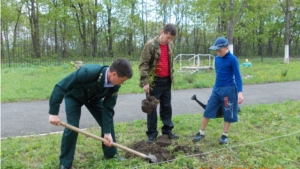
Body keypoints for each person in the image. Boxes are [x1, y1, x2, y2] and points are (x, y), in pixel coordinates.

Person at [48, 58, 133, 169]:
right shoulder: (88, 72)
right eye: (123, 80)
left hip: (93, 99)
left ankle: (111, 154)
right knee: (72, 127)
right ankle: (65, 163)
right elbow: (60, 86)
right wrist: (53, 113)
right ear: (114, 74)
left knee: (107, 121)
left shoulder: (115, 86)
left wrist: (107, 133)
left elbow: (108, 109)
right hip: (74, 97)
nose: (123, 83)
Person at [192, 37, 243, 144]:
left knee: (228, 112)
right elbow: (218, 73)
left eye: (220, 50)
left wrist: (240, 92)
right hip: (217, 89)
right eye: (216, 51)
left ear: (227, 47)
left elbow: (238, 77)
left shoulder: (233, 59)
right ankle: (201, 133)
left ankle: (225, 135)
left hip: (229, 90)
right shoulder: (217, 59)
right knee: (208, 110)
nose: (218, 53)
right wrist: (217, 87)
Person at [138, 23, 179, 143]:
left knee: (166, 106)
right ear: (162, 32)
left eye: (172, 38)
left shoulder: (171, 45)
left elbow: (170, 62)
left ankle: (167, 131)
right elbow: (143, 64)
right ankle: (151, 134)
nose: (169, 40)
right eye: (168, 37)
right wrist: (145, 82)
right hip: (154, 82)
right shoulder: (150, 45)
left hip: (167, 81)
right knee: (152, 108)